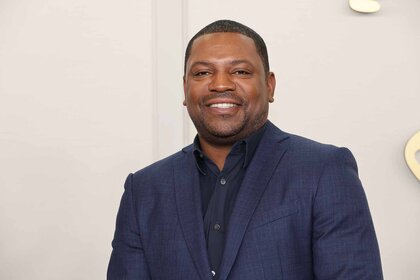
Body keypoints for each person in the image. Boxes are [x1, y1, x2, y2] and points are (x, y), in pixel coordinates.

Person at [107, 19, 383, 280]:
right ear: (185, 88)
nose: (220, 84)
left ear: (269, 85)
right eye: (203, 73)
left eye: (240, 71)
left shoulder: (323, 170)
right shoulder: (143, 190)